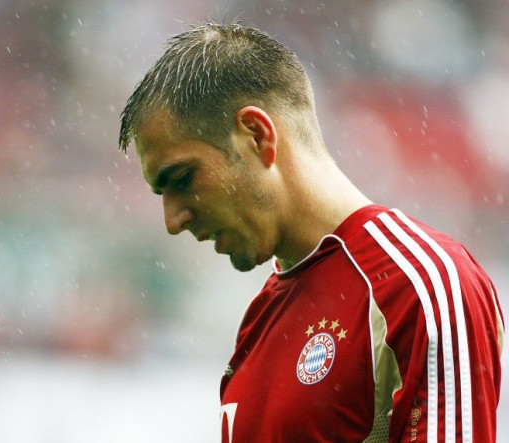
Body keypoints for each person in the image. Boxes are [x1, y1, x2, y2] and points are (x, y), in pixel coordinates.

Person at [118, 23, 504, 442]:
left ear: (257, 134)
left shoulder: (419, 285)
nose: (172, 221)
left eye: (181, 178)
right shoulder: (261, 317)